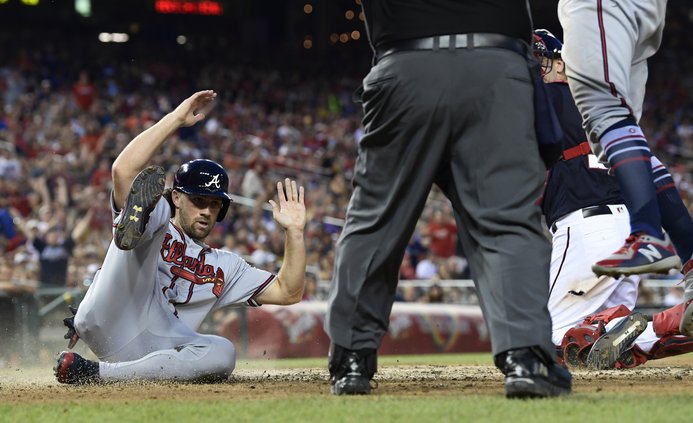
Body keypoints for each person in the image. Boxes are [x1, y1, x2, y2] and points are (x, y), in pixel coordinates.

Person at [324, 1, 572, 398]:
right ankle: (526, 359)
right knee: (507, 221)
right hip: (495, 67)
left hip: (405, 67)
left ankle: (352, 359)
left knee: (376, 221)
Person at [53, 90, 308, 384]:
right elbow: (123, 171)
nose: (207, 211)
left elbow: (289, 292)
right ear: (178, 196)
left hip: (155, 345)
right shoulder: (162, 215)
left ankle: (94, 374)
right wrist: (175, 119)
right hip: (115, 314)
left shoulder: (227, 265)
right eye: (198, 200)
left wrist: (295, 233)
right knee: (155, 214)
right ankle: (133, 220)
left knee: (223, 352)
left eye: (214, 204)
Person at [533, 29, 693, 370]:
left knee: (553, 342)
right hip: (626, 231)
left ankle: (665, 322)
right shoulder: (612, 115)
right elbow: (660, 185)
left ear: (563, 65)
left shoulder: (545, 102)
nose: (537, 72)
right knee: (608, 350)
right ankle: (674, 324)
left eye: (542, 62)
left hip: (586, 229)